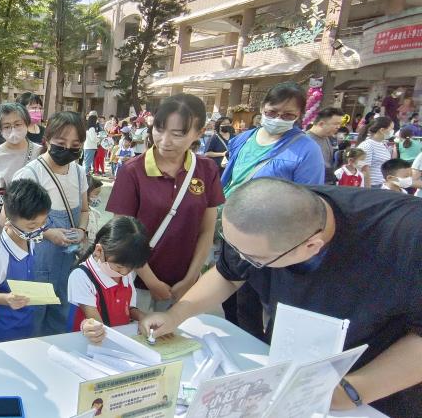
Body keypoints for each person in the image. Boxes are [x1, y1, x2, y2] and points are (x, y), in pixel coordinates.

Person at [139, 178, 422, 417]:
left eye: (255, 259)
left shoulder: (407, 237)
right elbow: (227, 274)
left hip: (380, 389)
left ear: (312, 246)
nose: (241, 259)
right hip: (294, 373)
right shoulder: (265, 217)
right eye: (232, 246)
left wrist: (353, 390)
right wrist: (176, 314)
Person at [220, 82, 324, 339]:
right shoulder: (243, 139)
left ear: (299, 116)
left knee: (254, 300)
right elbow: (229, 178)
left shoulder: (305, 149)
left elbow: (309, 199)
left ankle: (256, 350)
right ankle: (235, 343)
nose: (278, 119)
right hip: (232, 231)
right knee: (227, 294)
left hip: (272, 239)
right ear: (262, 108)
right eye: (273, 112)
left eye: (288, 115)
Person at [107, 94, 224, 311]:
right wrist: (152, 282)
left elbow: (207, 231)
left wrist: (190, 279)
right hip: (136, 282)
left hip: (184, 285)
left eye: (178, 134)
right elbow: (122, 233)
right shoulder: (132, 171)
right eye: (159, 129)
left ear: (199, 133)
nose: (165, 140)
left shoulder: (207, 170)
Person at [13, 112, 90, 336]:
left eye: (75, 144)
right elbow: (9, 221)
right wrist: (47, 233)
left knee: (62, 318)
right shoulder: (29, 174)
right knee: (33, 322)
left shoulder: (78, 172)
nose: (68, 149)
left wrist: (82, 230)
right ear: (47, 140)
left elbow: (84, 210)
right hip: (36, 265)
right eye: (61, 143)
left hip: (68, 264)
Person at [0, 179, 51, 344]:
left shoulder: (30, 241)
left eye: (43, 223)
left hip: (23, 324)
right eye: (32, 226)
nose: (38, 230)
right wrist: (6, 299)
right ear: (8, 219)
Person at [69, 216, 149, 343]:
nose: (124, 273)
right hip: (92, 344)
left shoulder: (125, 272)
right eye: (119, 267)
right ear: (99, 250)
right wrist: (91, 326)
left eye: (130, 269)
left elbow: (129, 308)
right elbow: (96, 322)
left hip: (118, 342)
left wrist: (143, 317)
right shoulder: (81, 276)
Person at [0, 103, 43, 246]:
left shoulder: (42, 154)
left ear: (26, 123)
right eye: (6, 126)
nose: (13, 129)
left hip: (37, 235)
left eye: (17, 124)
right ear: (0, 129)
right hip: (2, 236)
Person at [307, 107, 345, 184]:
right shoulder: (305, 141)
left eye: (339, 124)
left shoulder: (327, 138)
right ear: (321, 124)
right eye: (336, 124)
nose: (338, 127)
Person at [357, 116, 394, 188]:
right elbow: (363, 169)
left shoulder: (382, 144)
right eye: (391, 129)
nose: (392, 131)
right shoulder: (367, 145)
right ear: (382, 130)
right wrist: (368, 190)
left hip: (382, 184)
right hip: (372, 186)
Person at [85, 175, 103, 246]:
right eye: (96, 194)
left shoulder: (95, 213)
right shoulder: (80, 216)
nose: (98, 197)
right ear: (85, 193)